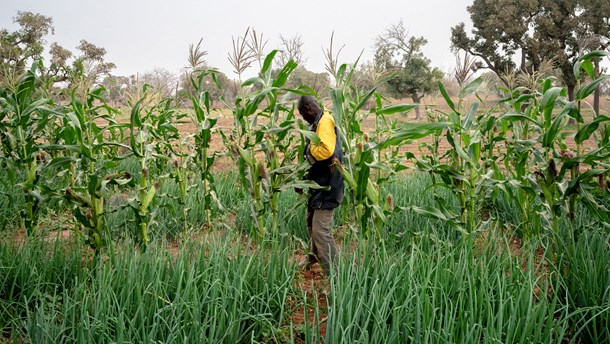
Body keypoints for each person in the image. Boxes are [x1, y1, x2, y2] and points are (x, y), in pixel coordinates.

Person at [296, 95, 344, 276]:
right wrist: (303, 178)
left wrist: (308, 149)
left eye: (302, 114)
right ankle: (313, 257)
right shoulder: (317, 122)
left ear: (308, 108)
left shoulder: (324, 122)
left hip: (328, 186)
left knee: (321, 230)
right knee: (311, 220)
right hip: (319, 183)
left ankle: (335, 275)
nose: (303, 118)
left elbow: (324, 151)